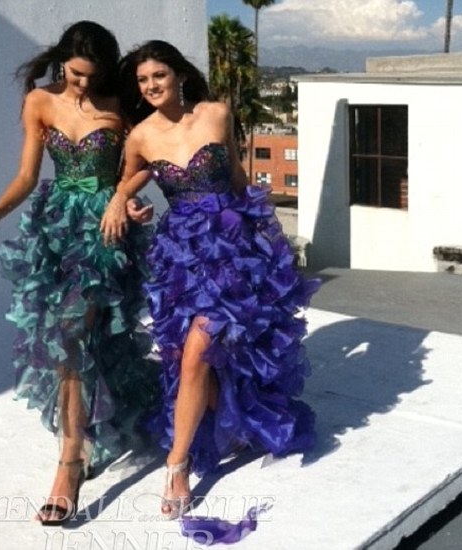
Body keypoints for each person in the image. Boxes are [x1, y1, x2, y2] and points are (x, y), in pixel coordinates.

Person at [101, 40, 320, 521]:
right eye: (142, 81)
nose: (151, 86)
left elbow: (238, 178)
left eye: (158, 75)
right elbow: (129, 179)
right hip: (183, 254)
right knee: (190, 356)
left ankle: (177, 466)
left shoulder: (217, 114)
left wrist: (271, 241)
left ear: (179, 74)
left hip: (234, 250)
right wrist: (124, 203)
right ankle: (233, 418)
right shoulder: (140, 135)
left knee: (201, 348)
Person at [0, 21, 159, 525]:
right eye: (76, 75)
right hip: (55, 231)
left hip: (104, 229)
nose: (83, 85)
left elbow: (145, 159)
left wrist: (126, 198)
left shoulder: (119, 102)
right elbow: (29, 175)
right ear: (61, 62)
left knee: (72, 335)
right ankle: (86, 428)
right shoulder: (38, 102)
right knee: (67, 341)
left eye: (92, 77)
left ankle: (69, 462)